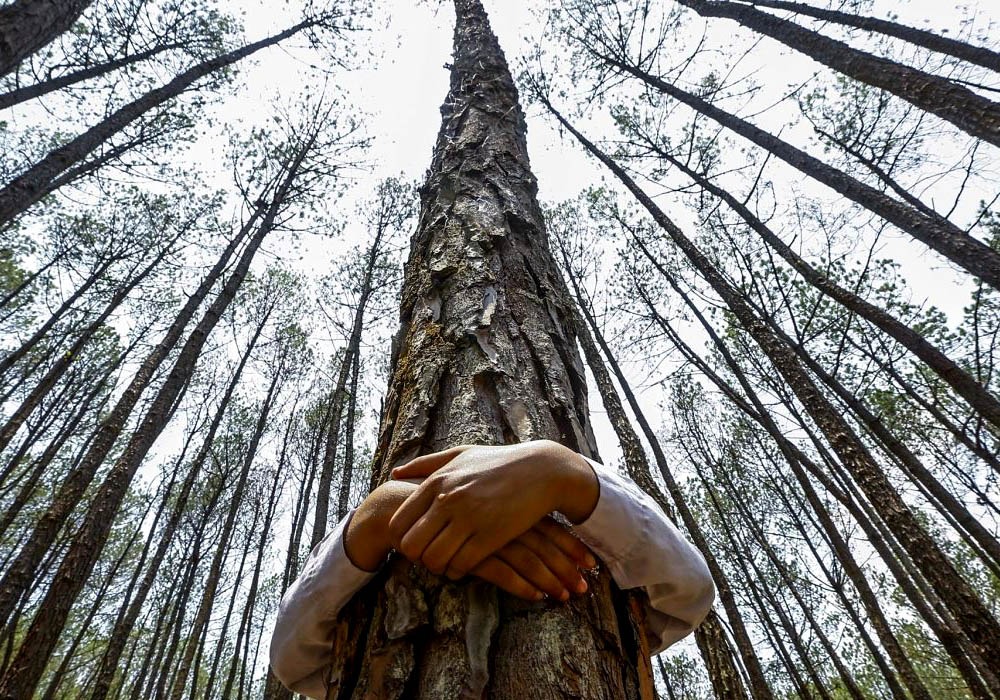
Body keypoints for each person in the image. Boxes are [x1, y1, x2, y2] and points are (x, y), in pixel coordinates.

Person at [270, 440, 715, 698]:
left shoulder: (590, 485)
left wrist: (562, 472)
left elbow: (687, 592)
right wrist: (372, 520)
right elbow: (293, 662)